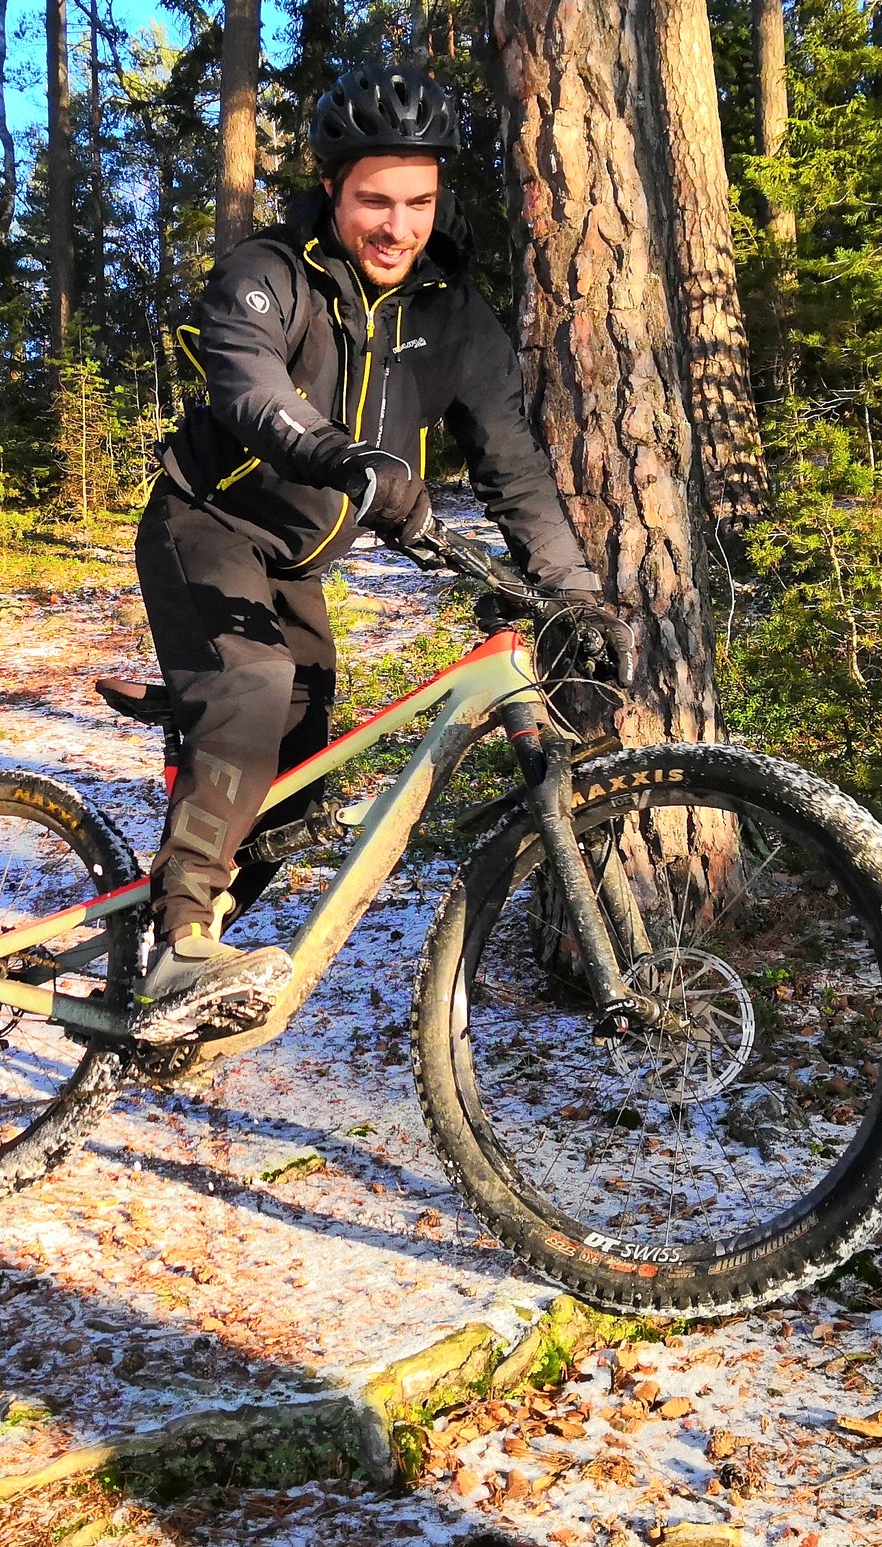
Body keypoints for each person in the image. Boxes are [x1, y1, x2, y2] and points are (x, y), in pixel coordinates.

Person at [129, 63, 604, 1037]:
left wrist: (575, 597)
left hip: (295, 565)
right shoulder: (270, 273)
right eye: (374, 201)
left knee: (293, 781)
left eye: (419, 201)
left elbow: (513, 466)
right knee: (251, 692)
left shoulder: (451, 316)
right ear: (333, 190)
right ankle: (177, 947)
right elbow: (249, 387)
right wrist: (354, 463)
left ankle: (174, 954)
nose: (398, 226)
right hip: (202, 529)